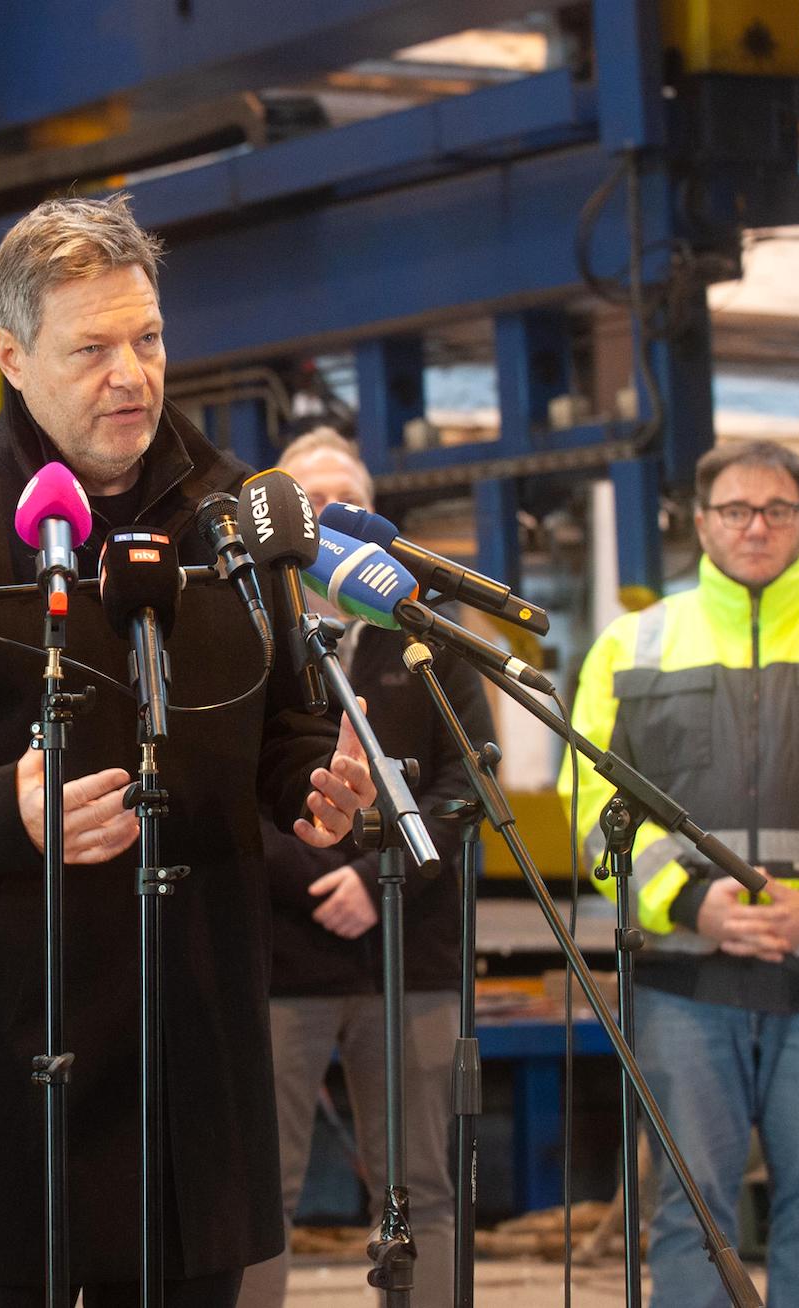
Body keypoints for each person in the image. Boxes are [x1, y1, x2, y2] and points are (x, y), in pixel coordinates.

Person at [0, 194, 377, 1308]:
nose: (131, 374)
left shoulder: (235, 514)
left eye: (148, 338)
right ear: (12, 358)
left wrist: (313, 783)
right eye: (91, 349)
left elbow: (287, 715)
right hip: (12, 1073)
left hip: (198, 1063)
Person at [561, 440, 799, 1308]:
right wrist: (694, 903)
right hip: (687, 980)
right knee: (692, 1206)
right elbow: (590, 800)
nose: (757, 526)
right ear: (701, 522)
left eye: (777, 509)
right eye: (736, 510)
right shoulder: (632, 648)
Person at [235, 428, 493, 1308]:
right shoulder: (244, 636)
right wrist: (313, 870)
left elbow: (471, 777)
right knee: (256, 1196)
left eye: (350, 502)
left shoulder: (429, 637)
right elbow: (227, 785)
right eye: (313, 503)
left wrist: (380, 877)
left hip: (407, 957)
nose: (333, 523)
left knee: (422, 1190)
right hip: (277, 960)